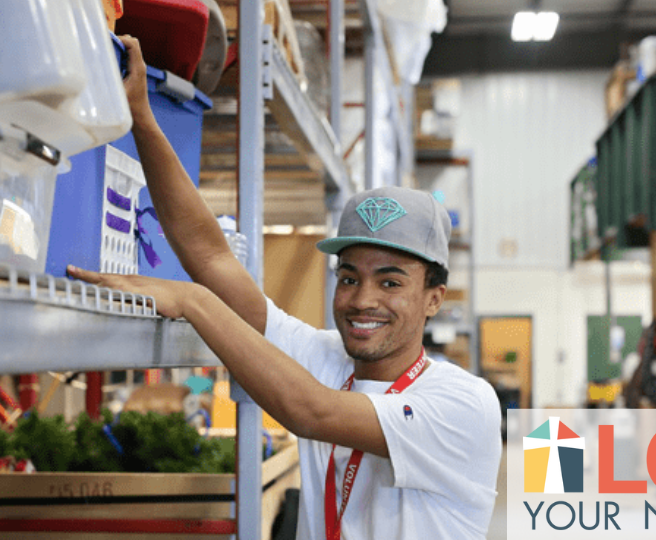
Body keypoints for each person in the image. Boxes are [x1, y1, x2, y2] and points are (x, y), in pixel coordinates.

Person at [68, 35, 502, 540]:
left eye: (390, 281)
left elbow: (312, 411)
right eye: (348, 277)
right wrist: (143, 120)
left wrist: (192, 301)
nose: (363, 300)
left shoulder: (462, 403)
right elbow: (210, 257)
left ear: (433, 297)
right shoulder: (325, 360)